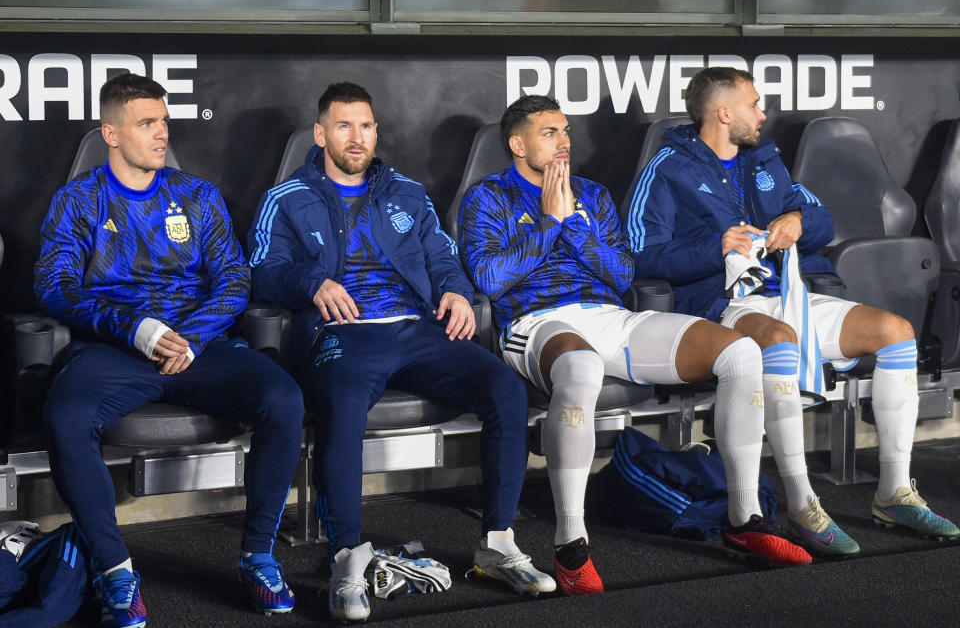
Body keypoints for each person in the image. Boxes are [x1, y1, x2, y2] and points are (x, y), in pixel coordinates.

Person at [457, 94, 812, 596]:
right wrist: (549, 221)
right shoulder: (486, 197)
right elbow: (491, 280)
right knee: (579, 366)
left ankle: (743, 517)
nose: (564, 142)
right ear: (518, 144)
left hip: (609, 315)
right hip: (536, 324)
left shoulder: (592, 195)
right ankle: (570, 543)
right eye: (549, 133)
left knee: (740, 353)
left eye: (566, 131)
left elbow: (622, 272)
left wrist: (574, 221)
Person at [247, 82, 555, 622]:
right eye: (344, 125)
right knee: (342, 408)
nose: (357, 136)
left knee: (504, 388)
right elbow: (260, 273)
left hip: (417, 327)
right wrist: (311, 283)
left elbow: (441, 257)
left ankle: (497, 543)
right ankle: (346, 557)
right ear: (320, 134)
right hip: (340, 330)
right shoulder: (288, 197)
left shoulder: (407, 193)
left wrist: (456, 291)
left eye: (365, 125)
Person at [626, 66, 959, 557]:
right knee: (778, 338)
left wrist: (797, 220)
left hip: (793, 290)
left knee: (896, 331)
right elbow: (640, 256)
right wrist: (715, 247)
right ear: (723, 112)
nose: (763, 114)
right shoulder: (668, 168)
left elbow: (821, 217)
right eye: (754, 105)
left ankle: (893, 493)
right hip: (724, 304)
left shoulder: (766, 160)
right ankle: (803, 504)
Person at [34, 73, 304, 627]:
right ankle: (115, 571)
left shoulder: (196, 195)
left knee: (283, 397)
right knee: (65, 414)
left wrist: (195, 336)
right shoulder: (78, 200)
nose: (162, 134)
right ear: (111, 133)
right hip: (115, 348)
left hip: (198, 344)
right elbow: (55, 286)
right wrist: (136, 329)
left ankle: (258, 556)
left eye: (163, 121)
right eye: (146, 123)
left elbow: (233, 278)